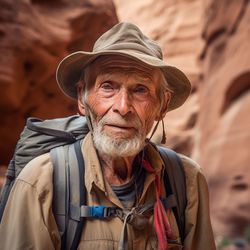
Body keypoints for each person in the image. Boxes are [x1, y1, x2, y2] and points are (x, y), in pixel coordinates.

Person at [0, 22, 216, 250]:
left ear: (162, 106)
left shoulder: (186, 180)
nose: (123, 107)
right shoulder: (42, 182)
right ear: (82, 99)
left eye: (140, 89)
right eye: (108, 87)